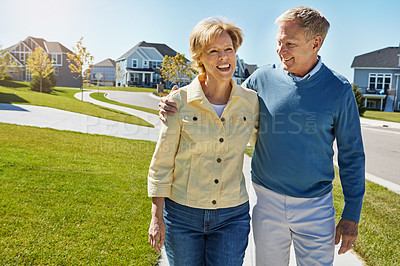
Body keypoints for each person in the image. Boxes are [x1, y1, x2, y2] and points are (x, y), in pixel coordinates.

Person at [159, 6, 365, 266]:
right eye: (279, 42)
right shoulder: (261, 79)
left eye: (290, 44)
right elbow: (222, 98)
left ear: (316, 43)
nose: (281, 50)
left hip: (316, 206)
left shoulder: (339, 89)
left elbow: (352, 156)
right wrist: (179, 99)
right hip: (267, 201)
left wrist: (352, 214)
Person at [147, 17, 259, 265]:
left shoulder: (251, 102)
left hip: (232, 216)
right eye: (214, 51)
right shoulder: (179, 101)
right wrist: (157, 217)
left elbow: (268, 144)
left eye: (228, 49)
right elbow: (162, 162)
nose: (223, 57)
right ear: (199, 57)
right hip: (182, 215)